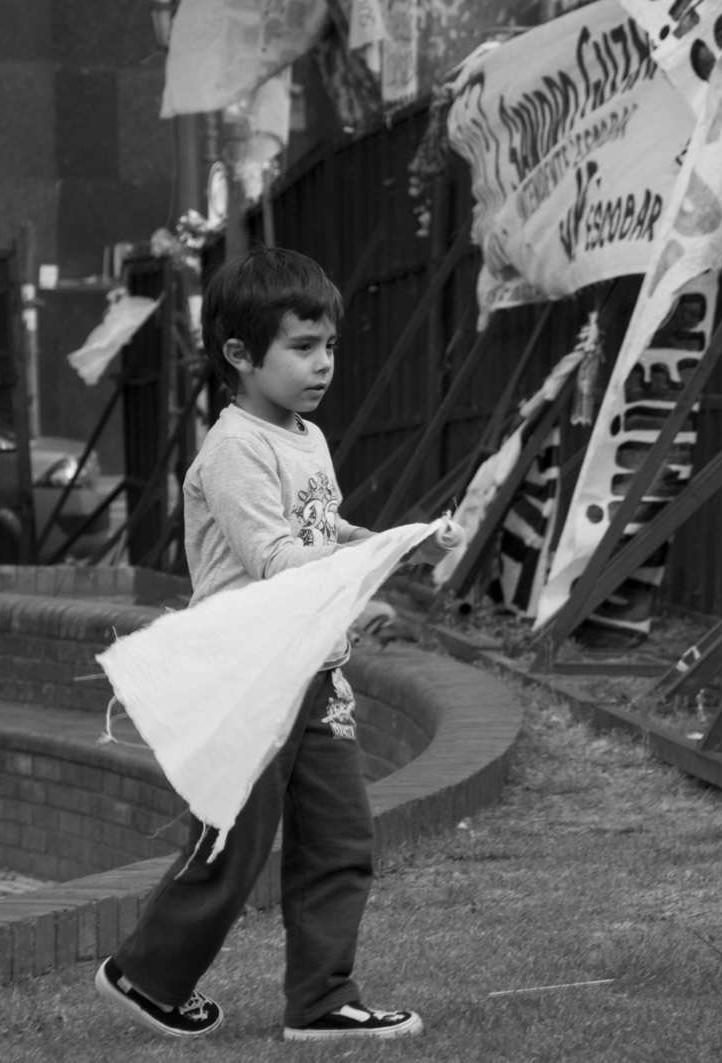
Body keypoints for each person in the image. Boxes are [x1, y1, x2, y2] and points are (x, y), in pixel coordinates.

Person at [94, 247, 449, 1041]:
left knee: (341, 840)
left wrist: (391, 542)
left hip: (313, 676)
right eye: (302, 347)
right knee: (231, 847)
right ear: (239, 355)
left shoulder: (307, 438)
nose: (323, 364)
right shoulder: (234, 450)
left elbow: (323, 532)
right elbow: (280, 561)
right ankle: (144, 974)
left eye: (328, 346)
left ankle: (323, 1001)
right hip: (250, 682)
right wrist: (366, 566)